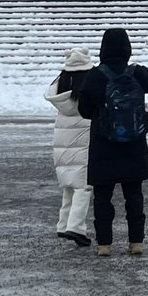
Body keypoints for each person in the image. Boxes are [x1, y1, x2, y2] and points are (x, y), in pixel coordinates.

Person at [78, 28, 148, 257]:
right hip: (134, 145)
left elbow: (84, 110)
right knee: (134, 196)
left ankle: (104, 245)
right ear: (127, 48)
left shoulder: (96, 76)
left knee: (103, 198)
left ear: (103, 49)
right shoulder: (136, 72)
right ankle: (136, 242)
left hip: (103, 145)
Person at [46, 48, 96, 246]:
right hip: (83, 140)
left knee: (68, 185)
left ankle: (63, 224)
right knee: (84, 186)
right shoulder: (89, 85)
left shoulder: (61, 84)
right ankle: (75, 227)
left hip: (63, 141)